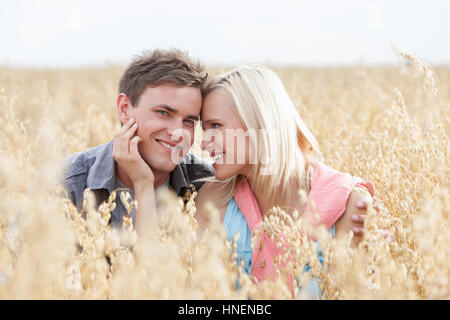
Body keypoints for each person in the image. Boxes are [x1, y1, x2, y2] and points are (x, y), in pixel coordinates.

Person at [193, 65, 378, 293]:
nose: (203, 143)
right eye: (204, 129)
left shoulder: (350, 204)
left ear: (258, 122)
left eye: (216, 126)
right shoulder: (213, 200)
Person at [61, 49, 214, 236]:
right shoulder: (66, 184)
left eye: (189, 121)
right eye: (163, 113)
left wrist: (143, 182)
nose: (177, 133)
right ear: (125, 109)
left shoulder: (206, 185)